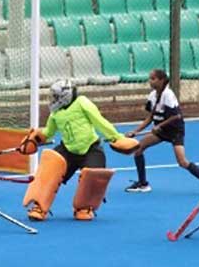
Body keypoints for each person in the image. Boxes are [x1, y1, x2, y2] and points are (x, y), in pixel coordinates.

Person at [19, 79, 138, 221]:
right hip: (68, 149)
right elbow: (49, 132)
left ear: (65, 95)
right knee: (49, 168)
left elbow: (99, 121)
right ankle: (39, 206)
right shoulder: (56, 113)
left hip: (90, 148)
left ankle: (84, 207)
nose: (53, 100)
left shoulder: (82, 102)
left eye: (55, 96)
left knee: (93, 175)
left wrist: (116, 137)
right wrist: (37, 138)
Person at [124, 69, 199, 195]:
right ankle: (143, 184)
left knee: (182, 162)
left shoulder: (168, 95)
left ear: (161, 80)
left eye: (153, 79)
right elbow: (150, 118)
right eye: (150, 78)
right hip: (161, 131)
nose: (150, 81)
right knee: (138, 149)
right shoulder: (153, 96)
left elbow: (176, 116)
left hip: (175, 131)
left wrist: (160, 125)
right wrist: (135, 131)